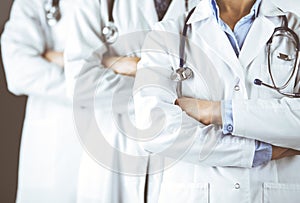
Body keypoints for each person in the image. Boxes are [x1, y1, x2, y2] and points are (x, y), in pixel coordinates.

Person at [134, 0, 300, 202]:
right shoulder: (166, 34)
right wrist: (256, 152)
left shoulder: (295, 29)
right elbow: (154, 127)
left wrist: (216, 111)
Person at [64, 0, 200, 202]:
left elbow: (212, 83)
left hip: (181, 155)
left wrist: (117, 64)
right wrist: (163, 86)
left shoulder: (210, 5)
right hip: (113, 150)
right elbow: (81, 84)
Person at [1, 0, 82, 202]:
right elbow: (19, 70)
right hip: (54, 147)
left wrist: (59, 58)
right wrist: (98, 82)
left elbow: (144, 66)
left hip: (114, 143)